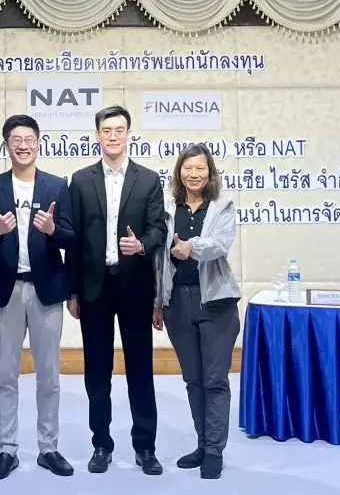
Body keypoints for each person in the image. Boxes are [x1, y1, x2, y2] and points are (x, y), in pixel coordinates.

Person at [0, 115, 75, 480]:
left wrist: (52, 229)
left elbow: (71, 237)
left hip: (47, 290)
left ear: (38, 142)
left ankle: (49, 448)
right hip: (7, 290)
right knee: (5, 375)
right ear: (6, 144)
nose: (23, 145)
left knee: (49, 375)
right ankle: (7, 449)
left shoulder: (57, 185)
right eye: (16, 139)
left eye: (29, 139)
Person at [65, 105, 167, 475]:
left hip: (135, 286)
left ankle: (145, 447)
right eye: (106, 130)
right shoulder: (80, 180)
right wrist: (72, 291)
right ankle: (101, 444)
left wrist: (142, 245)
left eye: (119, 130)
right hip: (94, 288)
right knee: (97, 372)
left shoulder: (148, 179)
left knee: (140, 369)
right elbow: (73, 239)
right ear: (97, 135)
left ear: (128, 134)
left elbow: (159, 229)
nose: (113, 136)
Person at [153, 142, 241, 480]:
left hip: (216, 303)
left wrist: (192, 247)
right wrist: (158, 301)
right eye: (187, 168)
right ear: (179, 172)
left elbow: (220, 244)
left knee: (215, 379)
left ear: (210, 172)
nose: (194, 174)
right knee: (193, 379)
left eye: (200, 168)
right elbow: (159, 259)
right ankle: (202, 444)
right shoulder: (167, 209)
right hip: (177, 302)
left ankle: (215, 451)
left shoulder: (222, 207)